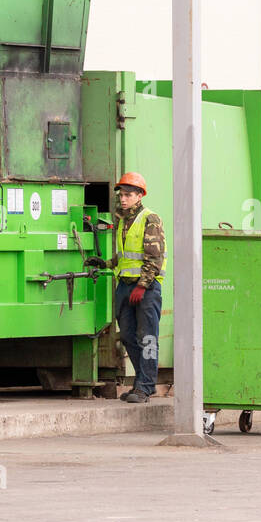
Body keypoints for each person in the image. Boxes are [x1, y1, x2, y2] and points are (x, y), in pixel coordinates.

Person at [88, 171, 165, 403]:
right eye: (121, 195)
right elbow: (124, 256)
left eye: (129, 195)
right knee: (130, 337)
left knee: (148, 337)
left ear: (140, 196)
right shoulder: (122, 221)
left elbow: (154, 258)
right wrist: (105, 263)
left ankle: (146, 386)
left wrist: (142, 286)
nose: (123, 199)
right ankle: (141, 382)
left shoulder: (150, 219)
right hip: (125, 286)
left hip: (146, 289)